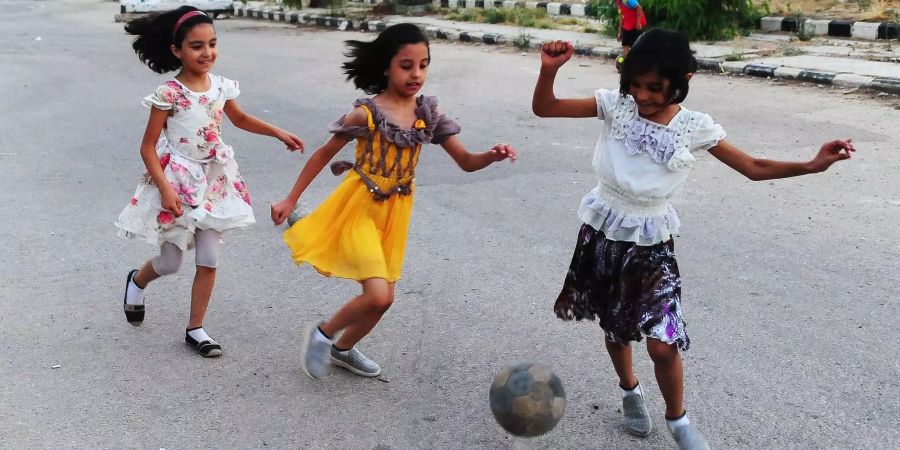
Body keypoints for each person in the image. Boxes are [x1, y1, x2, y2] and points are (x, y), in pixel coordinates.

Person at [532, 29, 855, 449]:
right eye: (635, 84)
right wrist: (548, 71)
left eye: (655, 88)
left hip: (652, 244)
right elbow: (545, 107)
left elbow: (753, 166)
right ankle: (629, 389)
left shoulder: (694, 127)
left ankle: (678, 420)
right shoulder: (615, 106)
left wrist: (811, 165)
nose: (642, 96)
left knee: (664, 344)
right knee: (617, 329)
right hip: (604, 233)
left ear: (683, 79)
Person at [270, 23, 517, 380]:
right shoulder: (367, 114)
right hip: (359, 208)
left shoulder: (427, 114)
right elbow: (324, 153)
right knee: (375, 294)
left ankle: (342, 350)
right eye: (406, 65)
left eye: (423, 64)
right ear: (386, 67)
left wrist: (490, 156)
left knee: (385, 299)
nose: (417, 74)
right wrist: (291, 198)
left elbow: (465, 161)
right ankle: (323, 335)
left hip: (395, 213)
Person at [116, 6, 304, 357]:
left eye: (212, 44)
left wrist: (277, 132)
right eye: (197, 46)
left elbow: (241, 118)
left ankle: (196, 329)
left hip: (215, 180)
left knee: (209, 258)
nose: (207, 53)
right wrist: (166, 188)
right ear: (177, 51)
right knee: (171, 262)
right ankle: (137, 280)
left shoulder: (221, 86)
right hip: (177, 180)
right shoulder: (169, 93)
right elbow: (147, 148)